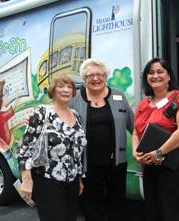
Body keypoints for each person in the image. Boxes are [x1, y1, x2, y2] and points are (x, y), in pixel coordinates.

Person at [132, 58, 179, 221]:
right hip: (150, 165)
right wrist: (135, 151)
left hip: (173, 166)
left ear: (168, 76)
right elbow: (135, 131)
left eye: (160, 71)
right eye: (151, 72)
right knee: (152, 213)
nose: (155, 76)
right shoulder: (144, 103)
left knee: (171, 214)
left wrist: (159, 152)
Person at [70, 58, 134, 221]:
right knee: (92, 208)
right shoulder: (74, 101)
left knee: (117, 205)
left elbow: (134, 127)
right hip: (88, 165)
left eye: (99, 74)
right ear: (84, 78)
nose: (95, 78)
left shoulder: (119, 96)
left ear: (106, 77)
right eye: (90, 75)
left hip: (116, 164)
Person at [18, 73, 86, 221]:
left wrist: (79, 178)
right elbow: (25, 146)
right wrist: (27, 179)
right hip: (48, 180)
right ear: (53, 90)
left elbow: (77, 152)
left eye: (69, 87)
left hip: (72, 181)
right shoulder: (42, 113)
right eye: (61, 86)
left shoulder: (76, 115)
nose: (66, 90)